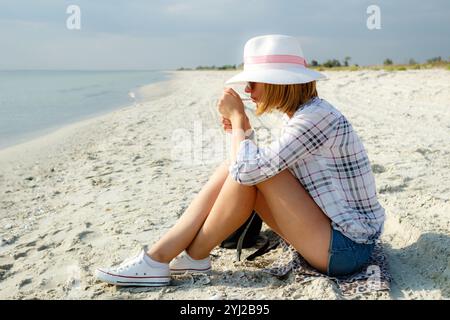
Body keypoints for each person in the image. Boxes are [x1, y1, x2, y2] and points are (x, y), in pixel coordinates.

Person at [94, 34, 385, 286]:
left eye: (253, 83)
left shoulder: (314, 119)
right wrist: (241, 130)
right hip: (332, 235)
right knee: (241, 168)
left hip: (348, 249)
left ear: (276, 83)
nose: (248, 91)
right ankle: (180, 257)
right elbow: (250, 167)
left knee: (248, 171)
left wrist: (237, 119)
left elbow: (248, 171)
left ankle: (165, 258)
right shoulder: (305, 115)